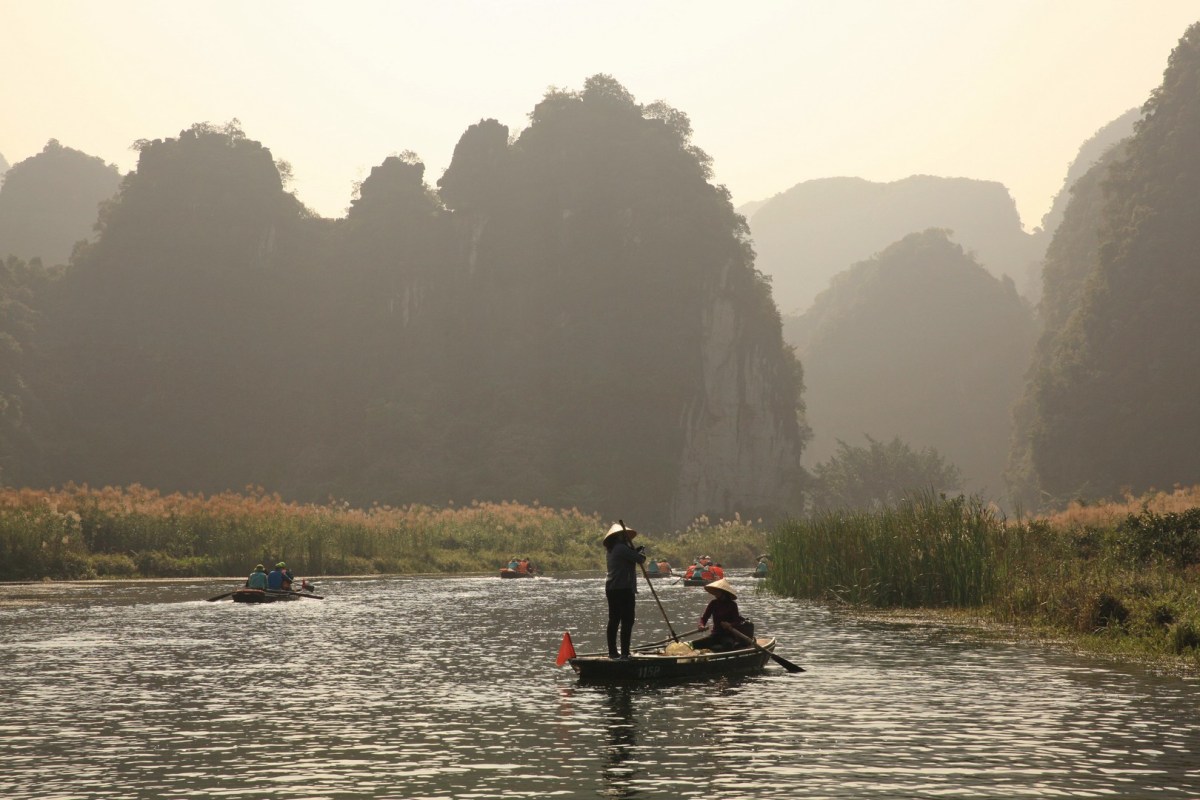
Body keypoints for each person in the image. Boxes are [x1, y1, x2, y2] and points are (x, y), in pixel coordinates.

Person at [603, 519, 646, 660]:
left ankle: (613, 652)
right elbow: (640, 559)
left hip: (612, 588)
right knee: (627, 620)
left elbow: (631, 556)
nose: (626, 537)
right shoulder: (621, 548)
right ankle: (625, 653)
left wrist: (635, 551)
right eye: (624, 536)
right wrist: (641, 552)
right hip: (623, 588)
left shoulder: (612, 549)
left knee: (614, 619)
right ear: (619, 537)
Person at [693, 578, 754, 652]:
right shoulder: (713, 603)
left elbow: (737, 621)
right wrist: (701, 625)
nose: (715, 593)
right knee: (695, 644)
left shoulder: (732, 605)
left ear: (723, 592)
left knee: (728, 645)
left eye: (717, 591)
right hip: (716, 634)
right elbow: (704, 618)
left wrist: (729, 624)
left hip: (728, 635)